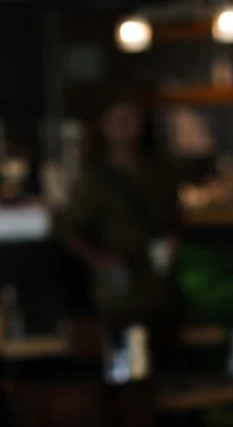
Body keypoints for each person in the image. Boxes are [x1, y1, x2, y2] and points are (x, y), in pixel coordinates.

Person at [60, 100, 181, 329]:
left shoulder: (158, 171)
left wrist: (173, 242)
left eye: (131, 119)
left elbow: (174, 216)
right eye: (117, 120)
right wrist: (99, 259)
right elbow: (69, 230)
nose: (125, 127)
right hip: (118, 290)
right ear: (103, 126)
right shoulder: (94, 178)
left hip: (159, 285)